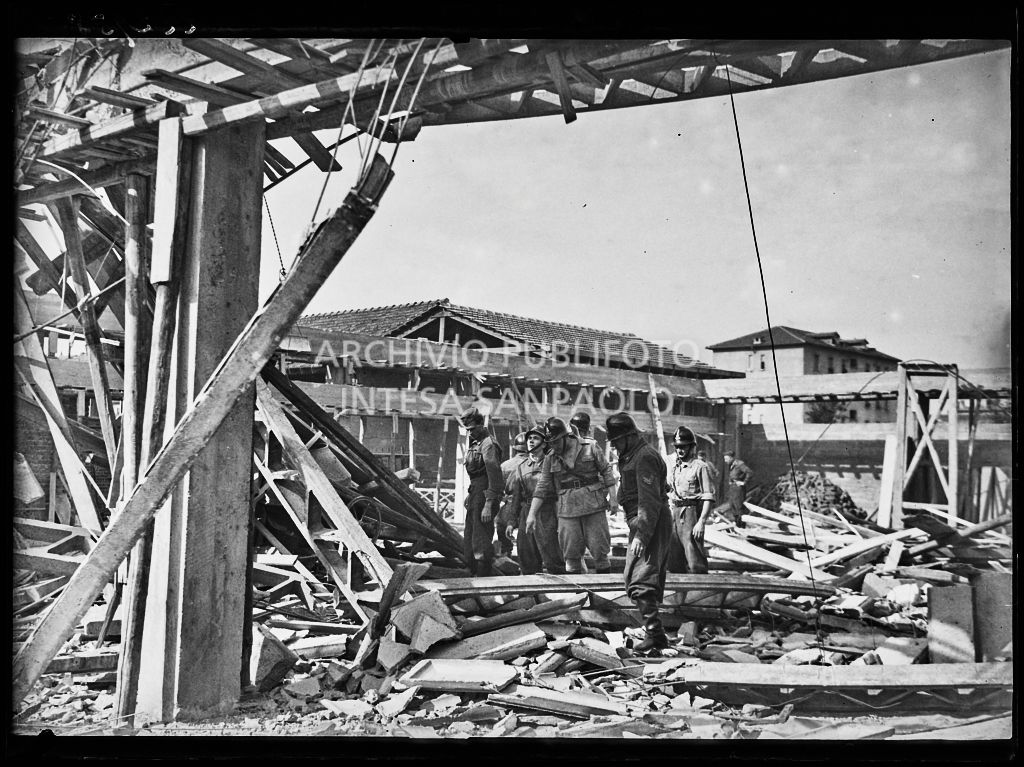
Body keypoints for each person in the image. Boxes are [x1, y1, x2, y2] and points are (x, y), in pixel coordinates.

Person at [605, 412, 672, 654]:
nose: (613, 446)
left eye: (616, 441)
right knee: (634, 576)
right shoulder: (633, 454)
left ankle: (656, 635)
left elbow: (649, 500)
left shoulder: (644, 457)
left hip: (650, 520)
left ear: (630, 437)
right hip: (641, 521)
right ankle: (655, 632)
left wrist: (643, 535)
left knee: (642, 578)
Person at [527, 416, 615, 574]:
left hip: (593, 506)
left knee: (600, 551)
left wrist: (613, 499)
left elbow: (606, 471)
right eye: (550, 442)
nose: (553, 446)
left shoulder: (590, 446)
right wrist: (531, 514)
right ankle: (578, 596)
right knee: (571, 554)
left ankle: (605, 595)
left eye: (556, 441)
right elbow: (542, 486)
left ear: (566, 437)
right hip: (567, 510)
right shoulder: (550, 457)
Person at [500, 425, 564, 574]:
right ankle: (531, 595)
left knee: (552, 554)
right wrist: (511, 522)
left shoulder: (554, 463)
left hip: (548, 512)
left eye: (535, 438)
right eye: (529, 438)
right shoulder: (521, 467)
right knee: (526, 555)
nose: (531, 441)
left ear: (544, 443)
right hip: (526, 512)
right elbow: (516, 497)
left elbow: (560, 491)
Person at [459, 407, 504, 576]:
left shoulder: (488, 444)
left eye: (472, 429)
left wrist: (489, 503)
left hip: (485, 494)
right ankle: (471, 573)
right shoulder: (476, 443)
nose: (469, 433)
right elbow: (476, 475)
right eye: (467, 429)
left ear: (480, 425)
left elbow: (494, 476)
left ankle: (483, 577)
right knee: (470, 535)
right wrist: (470, 495)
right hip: (476, 493)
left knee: (481, 538)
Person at [666, 425, 715, 574]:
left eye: (683, 447)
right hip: (674, 511)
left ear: (691, 447)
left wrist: (701, 522)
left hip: (691, 514)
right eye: (677, 447)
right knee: (673, 558)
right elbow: (669, 488)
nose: (680, 450)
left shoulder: (700, 467)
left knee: (694, 557)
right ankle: (679, 595)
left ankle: (701, 593)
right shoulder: (675, 467)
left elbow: (708, 496)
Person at [496, 432, 528, 557]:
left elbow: (499, 488)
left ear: (515, 449)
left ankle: (506, 554)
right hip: (528, 504)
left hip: (509, 503)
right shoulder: (534, 464)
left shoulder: (505, 465)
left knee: (501, 527)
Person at [723, 450, 753, 527]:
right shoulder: (731, 464)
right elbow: (734, 475)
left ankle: (742, 527)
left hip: (738, 489)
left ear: (731, 458)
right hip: (733, 488)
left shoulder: (740, 464)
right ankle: (737, 526)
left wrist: (744, 482)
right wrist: (730, 481)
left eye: (726, 459)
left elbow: (750, 472)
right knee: (733, 507)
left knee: (739, 508)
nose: (725, 461)